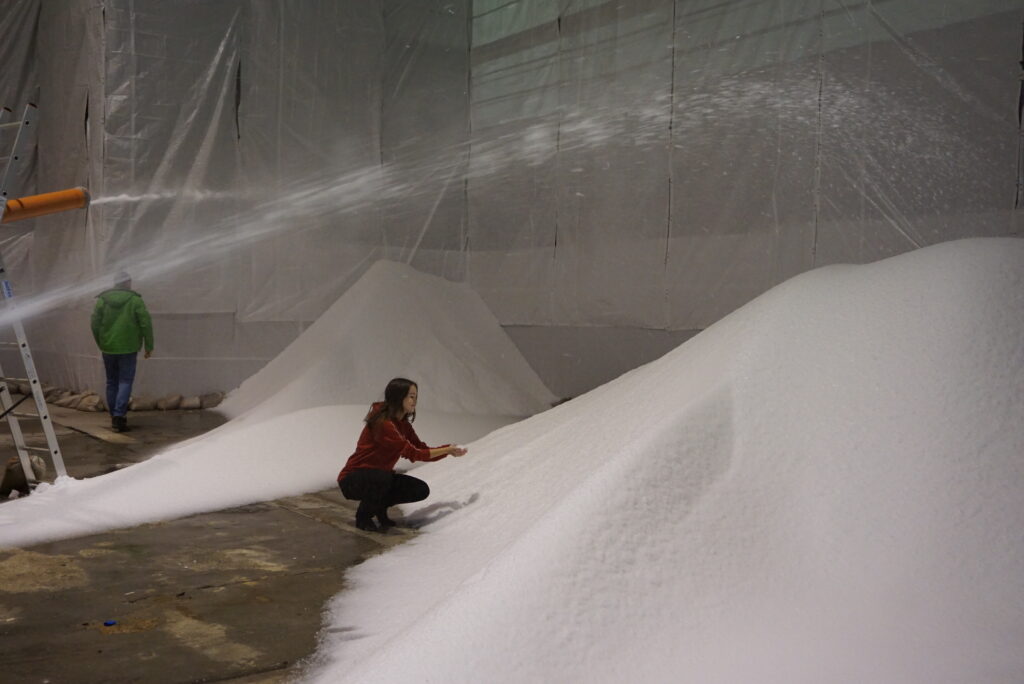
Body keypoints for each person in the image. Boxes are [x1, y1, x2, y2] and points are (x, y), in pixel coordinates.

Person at [338, 377, 467, 532]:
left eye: (416, 397)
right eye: (411, 397)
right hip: (352, 479)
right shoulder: (383, 424)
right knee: (382, 479)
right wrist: (447, 450)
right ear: (399, 397)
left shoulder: (403, 425)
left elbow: (421, 448)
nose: (415, 401)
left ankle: (379, 508)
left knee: (419, 489)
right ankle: (363, 517)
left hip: (378, 478)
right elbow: (414, 453)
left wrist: (449, 451)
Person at [91, 272, 154, 433]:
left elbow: (94, 322)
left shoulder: (103, 300)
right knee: (125, 381)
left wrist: (100, 341)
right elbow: (145, 323)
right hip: (129, 347)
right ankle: (119, 416)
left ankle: (114, 416)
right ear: (128, 283)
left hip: (108, 347)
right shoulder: (135, 300)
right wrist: (149, 345)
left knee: (111, 382)